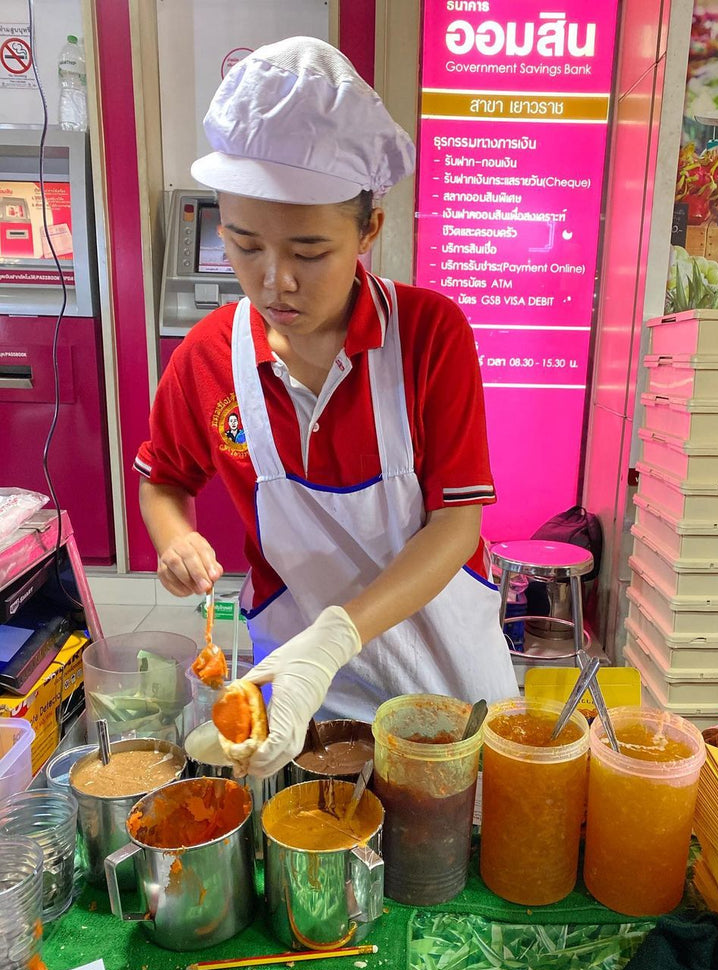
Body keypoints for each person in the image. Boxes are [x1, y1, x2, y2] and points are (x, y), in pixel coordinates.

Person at [135, 38, 519, 777]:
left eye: (309, 252)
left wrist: (337, 634)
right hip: (302, 683)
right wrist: (173, 538)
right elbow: (164, 479)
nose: (274, 281)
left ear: (368, 232)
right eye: (244, 246)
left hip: (444, 664)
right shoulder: (209, 358)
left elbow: (456, 522)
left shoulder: (430, 336)